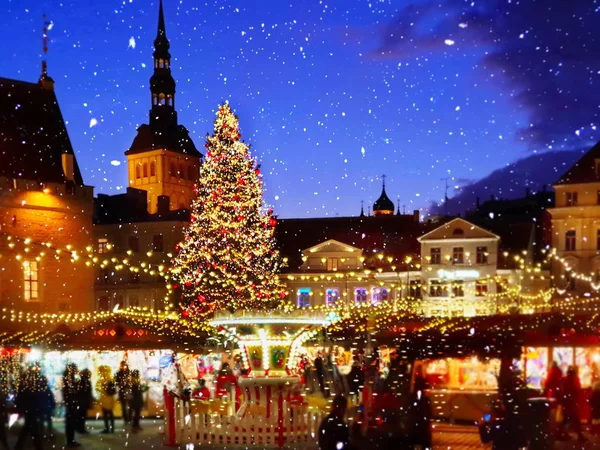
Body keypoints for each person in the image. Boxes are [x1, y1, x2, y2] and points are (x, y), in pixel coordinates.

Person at [14, 366, 46, 450]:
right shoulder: (28, 385)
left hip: (29, 408)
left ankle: (21, 445)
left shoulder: (25, 383)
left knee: (29, 426)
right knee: (31, 427)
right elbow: (27, 396)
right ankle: (36, 446)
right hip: (30, 408)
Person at [560, 366, 586, 442]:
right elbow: (577, 390)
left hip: (566, 402)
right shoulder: (574, 379)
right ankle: (580, 436)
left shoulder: (564, 379)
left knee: (566, 419)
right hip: (572, 403)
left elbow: (562, 390)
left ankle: (562, 434)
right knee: (574, 419)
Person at [62, 363, 81, 448]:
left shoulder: (68, 377)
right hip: (71, 403)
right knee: (71, 422)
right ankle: (70, 441)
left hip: (70, 402)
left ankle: (71, 440)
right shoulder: (70, 378)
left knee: (70, 422)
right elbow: (72, 391)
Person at [97, 365, 116, 434]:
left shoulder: (104, 379)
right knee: (110, 413)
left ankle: (107, 428)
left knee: (106, 413)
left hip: (106, 398)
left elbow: (98, 388)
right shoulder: (110, 378)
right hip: (109, 398)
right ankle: (111, 428)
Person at [77, 369, 93, 434]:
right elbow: (88, 393)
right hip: (84, 401)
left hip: (80, 401)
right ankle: (81, 429)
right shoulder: (87, 382)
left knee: (80, 416)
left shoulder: (79, 382)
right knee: (82, 416)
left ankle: (80, 428)